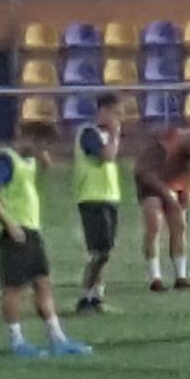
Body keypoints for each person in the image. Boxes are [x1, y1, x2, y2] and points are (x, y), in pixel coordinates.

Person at [0, 123, 92, 356]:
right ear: (28, 138)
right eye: (41, 144)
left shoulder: (29, 161)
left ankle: (57, 337)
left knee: (43, 283)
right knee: (14, 288)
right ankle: (17, 341)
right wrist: (9, 225)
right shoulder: (6, 160)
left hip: (31, 230)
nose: (43, 150)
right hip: (13, 231)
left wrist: (43, 164)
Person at [134, 126, 190, 292]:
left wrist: (186, 192)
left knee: (179, 224)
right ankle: (155, 277)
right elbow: (146, 174)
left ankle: (181, 275)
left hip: (175, 184)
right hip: (152, 184)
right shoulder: (165, 148)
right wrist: (167, 194)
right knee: (154, 221)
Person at [74, 93, 123, 314]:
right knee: (99, 252)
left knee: (105, 251)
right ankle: (85, 298)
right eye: (115, 112)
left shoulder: (105, 135)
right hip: (92, 198)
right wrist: (114, 134)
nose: (118, 118)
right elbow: (108, 156)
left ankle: (97, 297)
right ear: (103, 110)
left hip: (108, 198)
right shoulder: (89, 133)